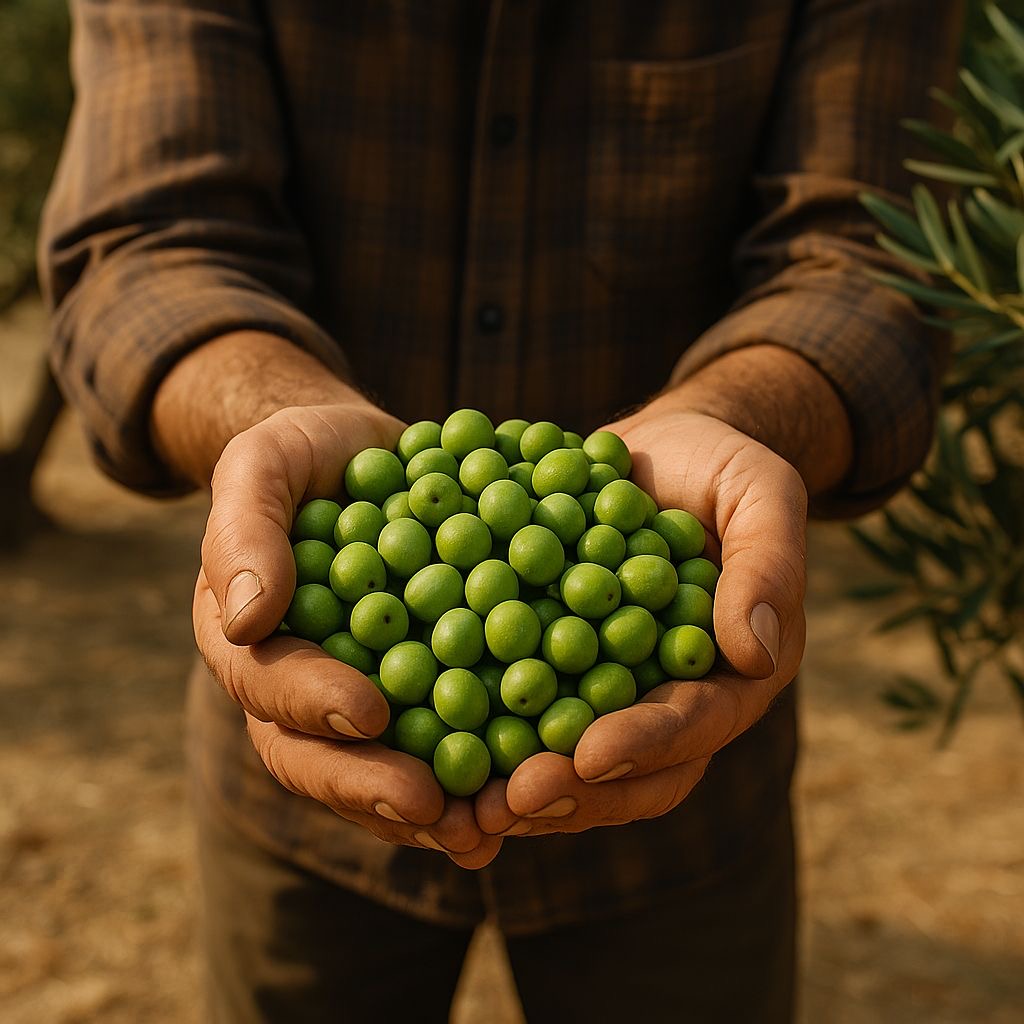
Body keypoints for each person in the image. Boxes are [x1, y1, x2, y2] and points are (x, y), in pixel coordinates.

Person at [40, 1, 964, 1020]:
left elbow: (877, 252)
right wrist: (275, 415)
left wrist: (731, 416)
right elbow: (143, 239)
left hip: (684, 782)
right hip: (307, 759)